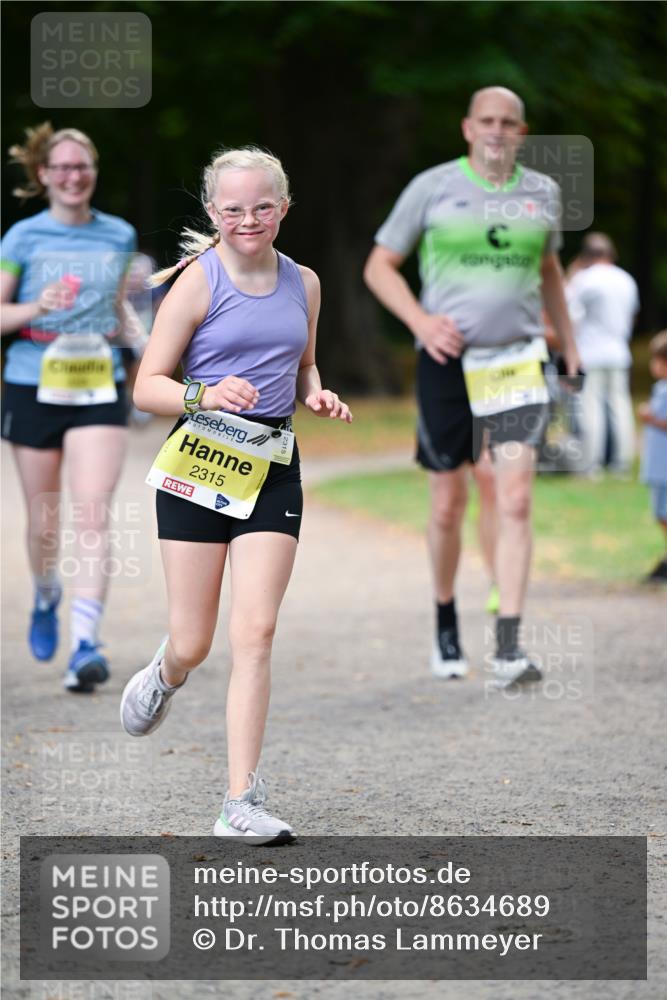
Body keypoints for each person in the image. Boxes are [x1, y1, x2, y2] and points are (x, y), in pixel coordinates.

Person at [119, 147, 352, 843]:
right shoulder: (198, 281)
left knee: (255, 631)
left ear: (283, 207)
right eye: (232, 208)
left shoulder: (304, 282)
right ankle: (167, 670)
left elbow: (303, 362)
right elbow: (147, 385)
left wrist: (316, 392)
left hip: (273, 464)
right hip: (201, 461)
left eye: (261, 206)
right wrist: (203, 392)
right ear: (212, 213)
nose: (247, 219)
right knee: (195, 638)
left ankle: (239, 803)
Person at [364, 86, 580, 688]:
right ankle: (444, 620)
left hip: (516, 361)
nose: (496, 130)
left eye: (508, 122)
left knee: (512, 497)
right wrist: (420, 321)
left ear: (522, 132)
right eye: (486, 120)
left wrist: (571, 345)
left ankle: (508, 645)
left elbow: (550, 272)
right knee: (448, 501)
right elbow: (379, 265)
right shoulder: (433, 187)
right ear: (466, 128)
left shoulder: (543, 193)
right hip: (446, 364)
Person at [1, 122, 139, 691]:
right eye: (61, 167)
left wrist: (143, 339)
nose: (73, 176)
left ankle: (85, 643)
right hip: (33, 380)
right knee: (45, 522)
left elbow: (118, 312)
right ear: (43, 176)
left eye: (82, 166)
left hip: (97, 380)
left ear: (93, 173)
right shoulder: (21, 238)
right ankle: (46, 593)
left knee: (90, 514)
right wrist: (37, 304)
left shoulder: (119, 234)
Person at [566, 232, 639, 477]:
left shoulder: (584, 279)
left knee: (590, 408)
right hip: (619, 351)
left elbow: (569, 315)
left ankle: (591, 464)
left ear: (586, 255)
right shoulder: (626, 279)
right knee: (620, 406)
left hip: (590, 352)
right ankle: (622, 462)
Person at [638, 331, 667, 584]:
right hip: (657, 466)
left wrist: (651, 419)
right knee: (660, 514)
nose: (653, 365)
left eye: (658, 360)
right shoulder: (660, 388)